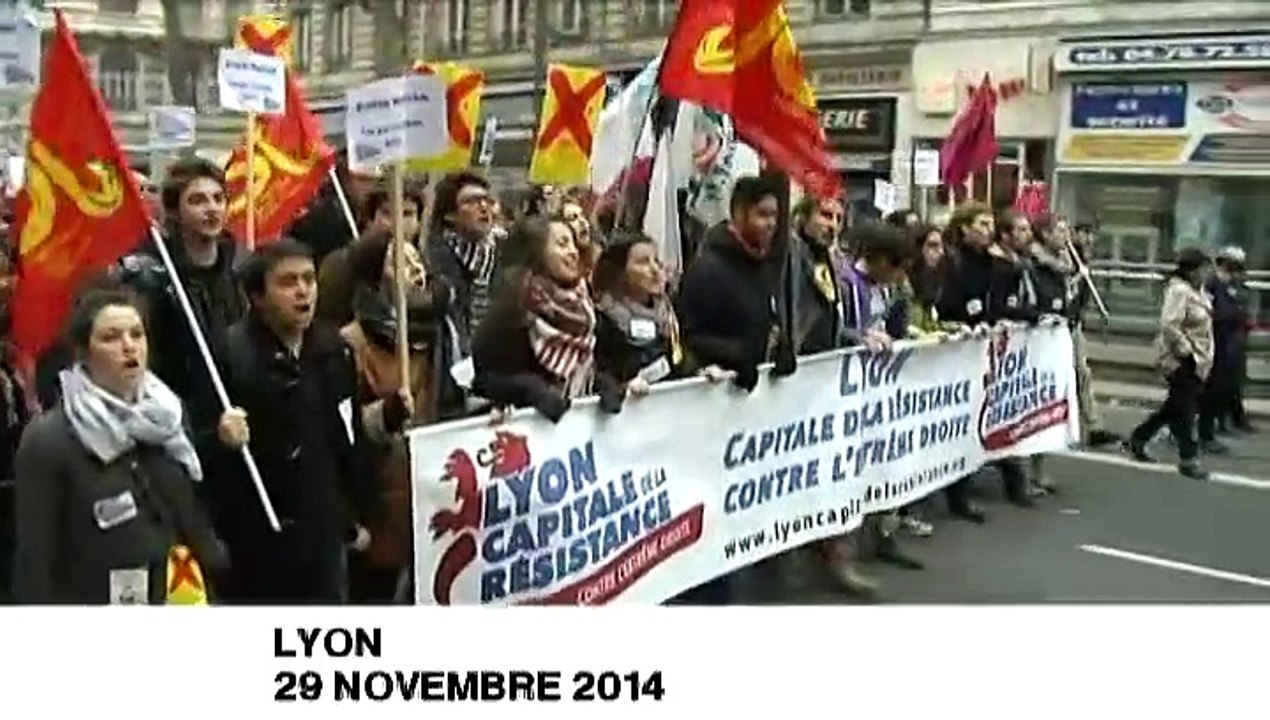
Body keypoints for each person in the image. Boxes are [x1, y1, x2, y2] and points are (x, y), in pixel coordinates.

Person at [12, 287, 226, 604]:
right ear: (83, 352)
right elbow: (36, 559)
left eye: (137, 334)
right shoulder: (50, 440)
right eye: (111, 337)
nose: (129, 347)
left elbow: (192, 511)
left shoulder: (168, 417)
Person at [210, 240, 376, 603]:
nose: (302, 291)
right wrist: (220, 436)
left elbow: (348, 436)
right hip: (257, 539)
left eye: (308, 279)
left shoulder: (334, 350)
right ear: (257, 296)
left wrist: (355, 513)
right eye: (287, 282)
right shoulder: (230, 354)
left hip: (322, 533)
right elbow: (196, 444)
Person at [675, 176, 791, 605]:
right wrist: (739, 355)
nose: (769, 225)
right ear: (738, 213)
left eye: (774, 217)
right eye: (761, 215)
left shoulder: (762, 262)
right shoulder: (709, 268)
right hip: (713, 404)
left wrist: (778, 350)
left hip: (749, 400)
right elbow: (690, 336)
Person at [340, 229, 448, 603]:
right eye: (400, 262)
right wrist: (384, 415)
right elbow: (342, 428)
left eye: (416, 259)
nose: (414, 269)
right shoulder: (352, 342)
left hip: (434, 491)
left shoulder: (441, 332)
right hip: (381, 496)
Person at [117, 158, 246, 467]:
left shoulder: (236, 273)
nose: (211, 208)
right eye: (197, 200)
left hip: (236, 419)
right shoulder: (155, 280)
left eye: (218, 198)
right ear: (175, 211)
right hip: (183, 429)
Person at [936, 204, 1035, 520]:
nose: (987, 229)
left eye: (990, 223)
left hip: (986, 352)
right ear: (963, 228)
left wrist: (1014, 318)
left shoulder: (995, 264)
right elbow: (946, 304)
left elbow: (1002, 304)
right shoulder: (952, 263)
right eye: (981, 223)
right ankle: (957, 496)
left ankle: (1009, 484)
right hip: (958, 352)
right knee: (960, 425)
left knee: (991, 417)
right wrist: (963, 323)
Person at [472, 217, 599, 423]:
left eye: (573, 244)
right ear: (536, 252)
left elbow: (596, 363)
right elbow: (486, 380)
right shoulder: (512, 310)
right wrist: (531, 390)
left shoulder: (585, 305)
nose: (573, 252)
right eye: (562, 244)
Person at [1123, 248, 1214, 480]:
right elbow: (1169, 324)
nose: (1207, 274)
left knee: (1173, 407)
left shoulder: (1198, 291)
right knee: (1184, 409)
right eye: (1203, 269)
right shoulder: (1179, 291)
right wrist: (1187, 351)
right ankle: (1188, 458)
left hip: (1199, 357)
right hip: (1181, 359)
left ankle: (1138, 438)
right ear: (1192, 270)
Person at [424, 171, 499, 419]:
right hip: (452, 392)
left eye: (486, 200)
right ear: (449, 214)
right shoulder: (434, 262)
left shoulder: (502, 259)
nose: (483, 207)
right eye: (471, 201)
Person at [317, 183, 424, 327]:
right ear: (370, 219)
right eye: (387, 213)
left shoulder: (426, 264)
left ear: (419, 222)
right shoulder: (341, 264)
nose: (398, 223)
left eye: (407, 214)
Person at [1199, 246, 1254, 446]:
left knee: (1228, 384)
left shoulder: (1233, 284)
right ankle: (1204, 431)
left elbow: (1239, 307)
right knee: (1213, 387)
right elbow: (1212, 311)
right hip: (1217, 339)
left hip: (1231, 339)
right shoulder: (1212, 284)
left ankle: (1219, 423)